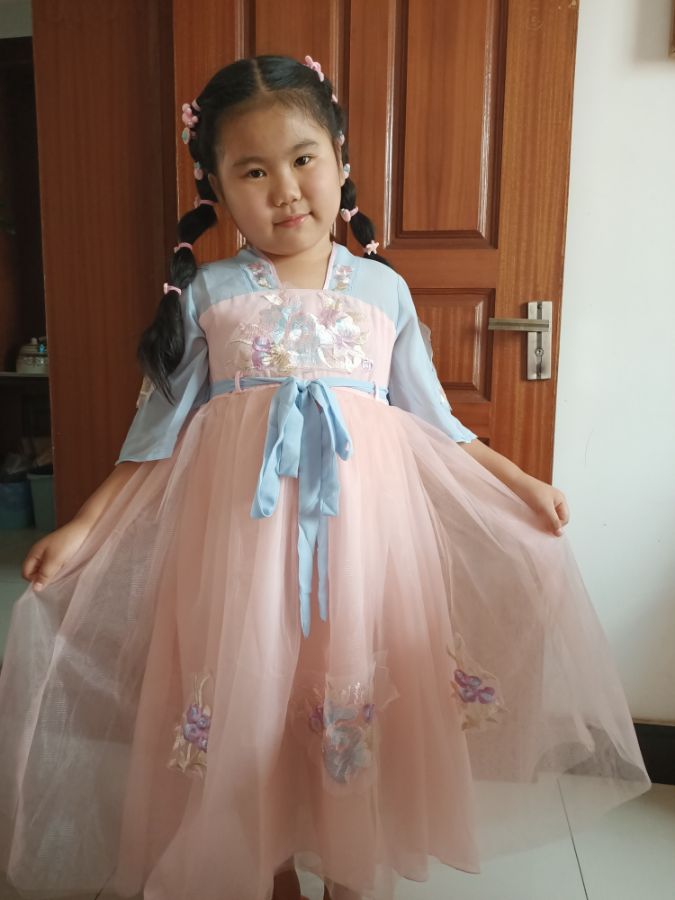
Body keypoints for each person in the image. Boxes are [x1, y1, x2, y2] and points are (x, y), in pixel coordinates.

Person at [0, 53, 649, 900]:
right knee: (254, 691)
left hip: (364, 549)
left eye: (303, 159)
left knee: (354, 686)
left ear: (341, 159)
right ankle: (266, 870)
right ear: (214, 187)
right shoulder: (209, 295)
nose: (285, 190)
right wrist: (83, 527)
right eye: (253, 171)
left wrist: (519, 484)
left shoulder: (381, 291)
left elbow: (434, 419)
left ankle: (350, 870)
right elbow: (152, 435)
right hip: (240, 552)